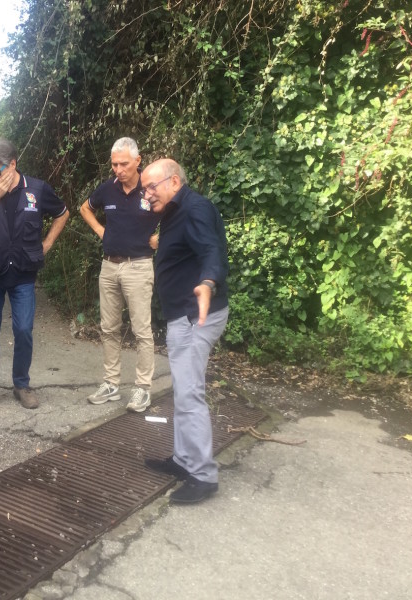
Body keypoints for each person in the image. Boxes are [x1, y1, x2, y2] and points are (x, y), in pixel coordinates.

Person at [140, 158, 229, 504]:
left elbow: (212, 249)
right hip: (182, 316)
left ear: (174, 182)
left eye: (152, 186)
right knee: (183, 389)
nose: (147, 194)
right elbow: (189, 244)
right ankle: (183, 459)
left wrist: (207, 282)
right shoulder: (176, 211)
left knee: (190, 394)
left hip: (196, 316)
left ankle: (203, 476)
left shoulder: (196, 208)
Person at [0, 138, 69, 411]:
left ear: (13, 164)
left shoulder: (37, 189)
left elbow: (63, 214)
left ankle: (21, 384)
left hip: (23, 272)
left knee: (23, 330)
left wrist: (47, 244)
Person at [80, 137, 161, 412]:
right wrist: (102, 231)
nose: (118, 169)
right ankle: (112, 384)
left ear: (138, 161)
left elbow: (178, 213)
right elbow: (85, 208)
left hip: (138, 266)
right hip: (109, 266)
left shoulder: (150, 188)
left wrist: (163, 236)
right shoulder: (107, 189)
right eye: (114, 164)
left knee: (141, 330)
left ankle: (142, 388)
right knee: (109, 328)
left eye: (124, 164)